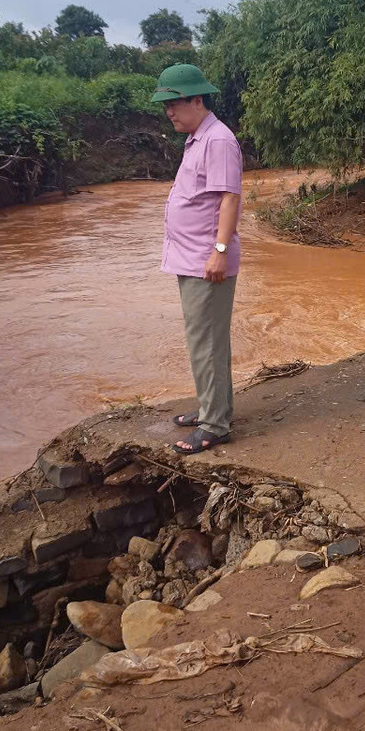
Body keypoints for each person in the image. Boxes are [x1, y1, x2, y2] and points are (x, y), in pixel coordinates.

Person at [152, 63, 243, 454]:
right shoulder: (197, 139)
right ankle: (213, 408)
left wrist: (219, 251)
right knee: (205, 340)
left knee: (205, 342)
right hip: (191, 258)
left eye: (175, 103)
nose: (169, 112)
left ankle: (214, 425)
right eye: (166, 105)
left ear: (197, 100)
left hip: (206, 259)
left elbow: (230, 197)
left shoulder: (218, 140)